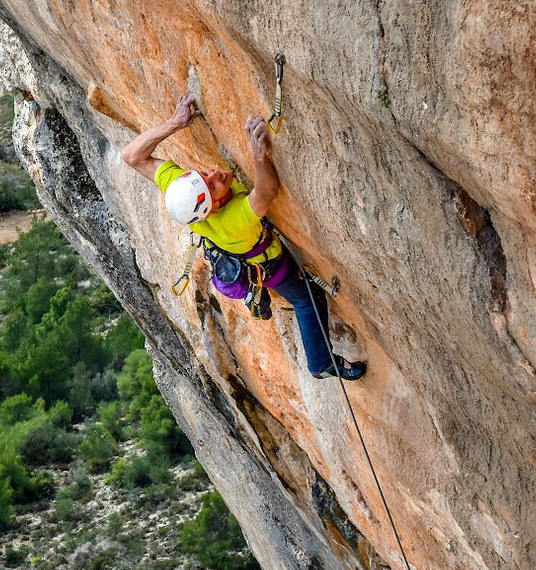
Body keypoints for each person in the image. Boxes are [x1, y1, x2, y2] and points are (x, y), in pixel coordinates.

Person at [121, 95, 366, 381]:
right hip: (267, 266)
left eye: (205, 174)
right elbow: (265, 193)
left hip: (232, 254)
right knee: (307, 298)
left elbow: (131, 156)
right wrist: (259, 155)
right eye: (214, 184)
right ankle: (321, 364)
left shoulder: (184, 190)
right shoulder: (232, 221)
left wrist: (176, 123)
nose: (216, 174)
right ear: (213, 208)